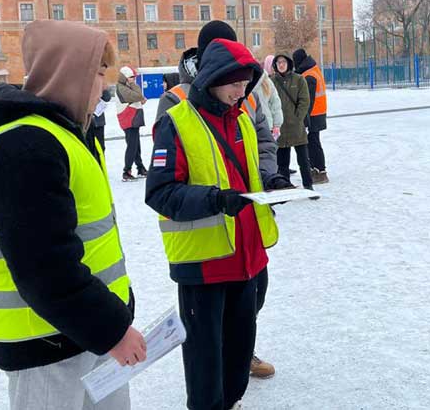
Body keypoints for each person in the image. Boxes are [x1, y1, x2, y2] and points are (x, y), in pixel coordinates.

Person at [0, 20, 146, 410]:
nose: (104, 87)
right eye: (99, 74)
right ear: (73, 74)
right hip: (46, 347)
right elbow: (44, 267)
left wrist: (110, 324)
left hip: (85, 335)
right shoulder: (24, 147)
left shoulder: (62, 136)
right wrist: (112, 329)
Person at [145, 38, 282, 410]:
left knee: (239, 353)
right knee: (206, 361)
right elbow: (160, 193)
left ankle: (232, 400)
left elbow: (251, 171)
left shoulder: (243, 120)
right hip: (204, 265)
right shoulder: (176, 123)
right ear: (214, 79)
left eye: (246, 83)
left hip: (247, 258)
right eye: (235, 83)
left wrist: (272, 182)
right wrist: (215, 199)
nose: (242, 91)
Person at [272, 53, 315, 192]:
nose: (281, 64)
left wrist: (298, 118)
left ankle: (308, 185)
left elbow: (305, 101)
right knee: (282, 162)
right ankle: (286, 187)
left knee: (303, 160)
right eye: (278, 62)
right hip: (280, 128)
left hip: (297, 127)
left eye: (283, 61)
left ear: (289, 63)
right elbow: (268, 101)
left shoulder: (299, 79)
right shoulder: (271, 81)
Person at [292, 48, 329, 183]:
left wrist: (303, 118)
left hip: (313, 115)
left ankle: (320, 171)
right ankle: (316, 169)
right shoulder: (313, 70)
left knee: (313, 143)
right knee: (313, 142)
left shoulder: (309, 76)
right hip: (318, 113)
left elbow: (308, 100)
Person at [116, 65, 148, 181]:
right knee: (132, 146)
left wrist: (139, 98)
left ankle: (140, 168)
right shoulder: (121, 87)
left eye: (134, 77)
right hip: (128, 118)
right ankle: (126, 171)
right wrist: (139, 96)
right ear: (124, 77)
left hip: (133, 118)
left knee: (136, 145)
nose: (133, 79)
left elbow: (137, 97)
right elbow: (138, 95)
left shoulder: (126, 86)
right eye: (131, 77)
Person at [252, 61, 283, 141]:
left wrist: (277, 124)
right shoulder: (267, 81)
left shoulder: (242, 82)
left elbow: (275, 103)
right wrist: (277, 124)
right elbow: (276, 103)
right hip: (267, 124)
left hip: (249, 124)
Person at [87, 86, 112, 152]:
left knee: (101, 147)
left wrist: (101, 87)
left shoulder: (99, 83)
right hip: (86, 122)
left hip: (98, 121)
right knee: (89, 148)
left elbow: (107, 97)